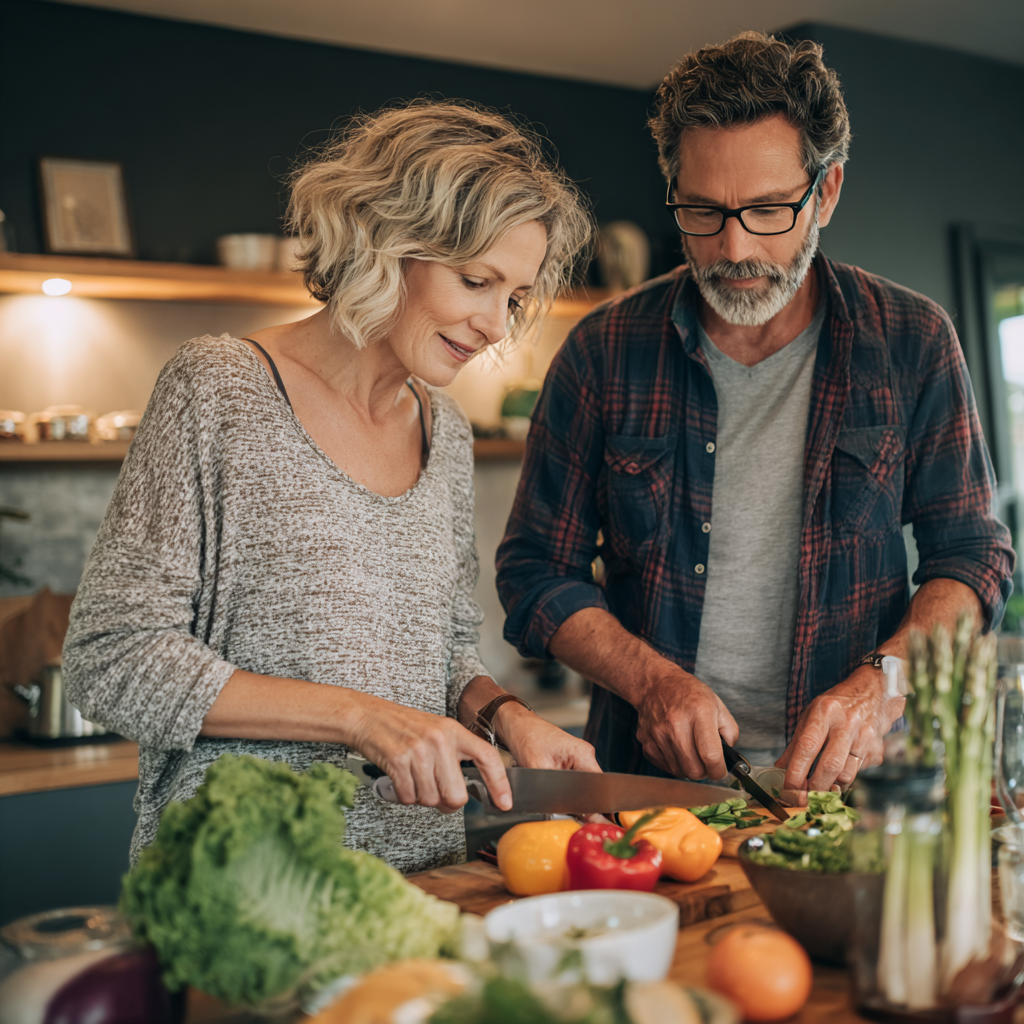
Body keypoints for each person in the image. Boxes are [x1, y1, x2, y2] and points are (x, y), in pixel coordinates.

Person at [63, 100, 599, 874]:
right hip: (240, 889)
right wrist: (361, 721)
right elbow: (111, 660)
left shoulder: (444, 430)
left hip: (418, 886)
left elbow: (443, 654)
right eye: (476, 280)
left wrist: (508, 718)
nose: (495, 326)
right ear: (388, 242)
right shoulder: (219, 388)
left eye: (513, 298)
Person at [496, 33, 1015, 798]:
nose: (734, 246)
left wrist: (884, 683)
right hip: (655, 792)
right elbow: (536, 570)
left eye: (769, 209)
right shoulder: (603, 352)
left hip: (865, 789)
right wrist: (650, 682)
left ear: (826, 192)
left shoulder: (913, 341)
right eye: (703, 211)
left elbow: (971, 559)